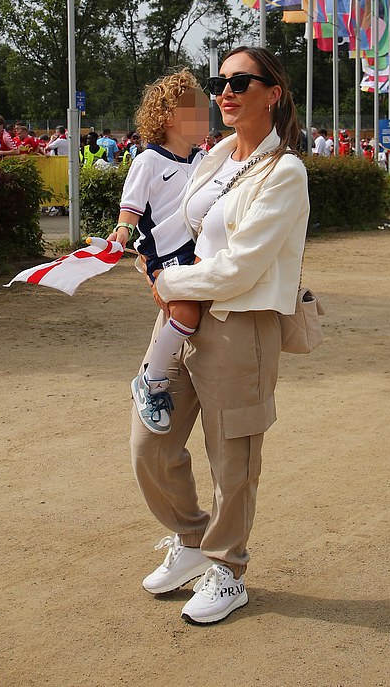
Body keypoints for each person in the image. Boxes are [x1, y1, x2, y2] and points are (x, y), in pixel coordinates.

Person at [131, 46, 309, 625]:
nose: (225, 92)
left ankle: (228, 570)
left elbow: (241, 266)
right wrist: (148, 254)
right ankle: (189, 539)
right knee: (149, 441)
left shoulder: (285, 172)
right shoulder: (216, 157)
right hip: (183, 312)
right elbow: (184, 225)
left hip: (239, 322)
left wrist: (169, 277)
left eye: (241, 82)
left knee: (232, 458)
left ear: (273, 92)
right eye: (220, 81)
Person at [108, 70, 208, 435]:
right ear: (167, 117)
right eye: (193, 108)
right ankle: (151, 382)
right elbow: (130, 209)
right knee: (185, 313)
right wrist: (121, 233)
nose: (204, 114)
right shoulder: (147, 161)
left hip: (197, 250)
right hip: (163, 253)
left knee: (195, 314)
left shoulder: (203, 160)